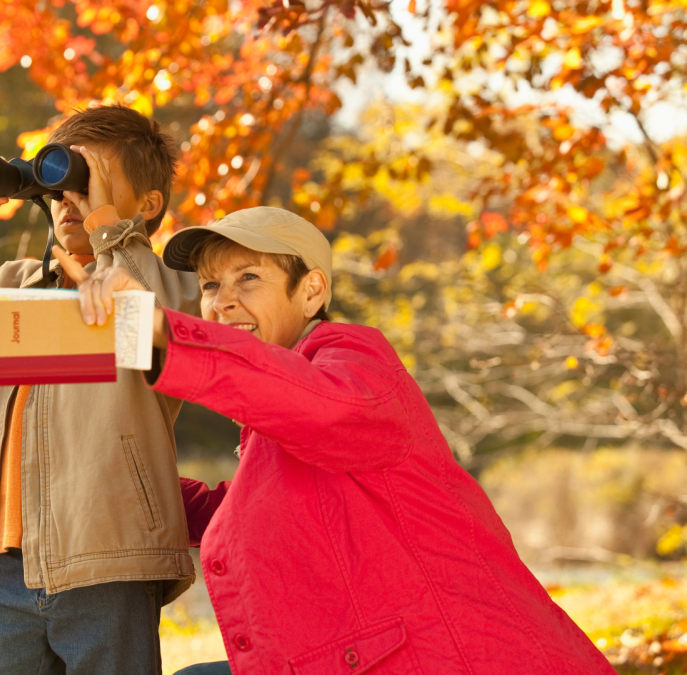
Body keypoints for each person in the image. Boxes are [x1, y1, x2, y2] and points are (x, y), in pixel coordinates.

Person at [53, 206, 615, 675]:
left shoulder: (354, 362)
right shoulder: (278, 408)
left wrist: (162, 331)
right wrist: (129, 484)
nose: (221, 301)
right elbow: (263, 508)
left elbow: (325, 409)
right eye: (209, 285)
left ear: (312, 291)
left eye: (248, 278)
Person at [0, 104, 200, 675]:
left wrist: (110, 236)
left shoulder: (171, 289)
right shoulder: (11, 287)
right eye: (60, 182)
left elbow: (156, 325)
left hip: (110, 558)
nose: (68, 199)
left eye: (87, 181)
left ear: (148, 206)